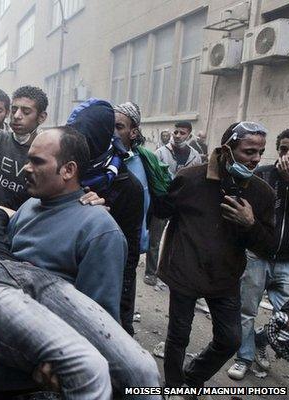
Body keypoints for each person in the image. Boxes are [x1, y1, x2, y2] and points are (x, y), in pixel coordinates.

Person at [0, 129, 160, 400]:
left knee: (142, 370)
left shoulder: (97, 226)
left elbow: (99, 314)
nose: (25, 169)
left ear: (68, 170)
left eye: (37, 162)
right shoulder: (27, 207)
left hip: (42, 304)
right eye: (28, 159)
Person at [155, 122, 276, 391]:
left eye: (260, 152)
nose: (256, 159)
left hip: (225, 277)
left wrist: (250, 223)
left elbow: (267, 247)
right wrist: (157, 182)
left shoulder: (262, 192)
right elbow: (162, 210)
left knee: (230, 339)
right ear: (227, 150)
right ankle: (175, 389)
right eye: (248, 151)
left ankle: (193, 378)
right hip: (185, 271)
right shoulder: (191, 178)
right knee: (178, 336)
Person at [67, 98, 144, 335]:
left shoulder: (127, 186)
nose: (81, 150)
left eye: (87, 141)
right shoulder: (64, 171)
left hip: (103, 281)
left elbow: (128, 256)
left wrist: (121, 315)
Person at [227, 127, 289, 380]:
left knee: (285, 317)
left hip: (287, 260)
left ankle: (261, 340)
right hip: (257, 256)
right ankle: (244, 357)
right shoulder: (262, 176)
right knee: (247, 310)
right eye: (284, 148)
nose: (287, 155)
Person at [114, 101, 173, 299]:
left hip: (132, 244)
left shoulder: (144, 162)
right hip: (103, 241)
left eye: (119, 127)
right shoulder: (98, 161)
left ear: (133, 132)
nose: (112, 132)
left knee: (125, 296)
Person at [146, 122, 202, 286]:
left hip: (183, 204)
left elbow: (197, 180)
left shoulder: (195, 156)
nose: (177, 136)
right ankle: (151, 273)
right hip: (163, 202)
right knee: (155, 239)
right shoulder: (160, 153)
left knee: (178, 240)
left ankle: (170, 273)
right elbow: (154, 178)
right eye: (175, 132)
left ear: (189, 136)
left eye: (182, 133)